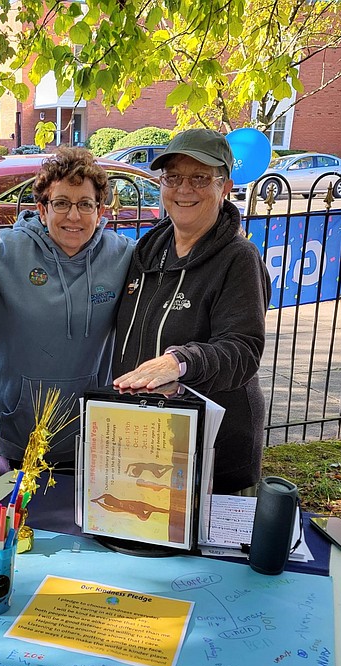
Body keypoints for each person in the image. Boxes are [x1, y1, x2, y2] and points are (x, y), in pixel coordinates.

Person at [112, 129, 271, 495]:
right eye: (173, 177)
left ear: (225, 186)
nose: (184, 189)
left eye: (200, 178)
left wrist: (180, 362)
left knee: (208, 552)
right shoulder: (148, 253)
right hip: (151, 441)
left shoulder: (238, 259)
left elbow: (243, 350)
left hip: (215, 454)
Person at [0, 147, 135, 471]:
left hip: (92, 442)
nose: (74, 216)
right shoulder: (2, 252)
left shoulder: (123, 255)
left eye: (85, 204)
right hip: (19, 440)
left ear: (100, 210)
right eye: (61, 203)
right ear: (42, 208)